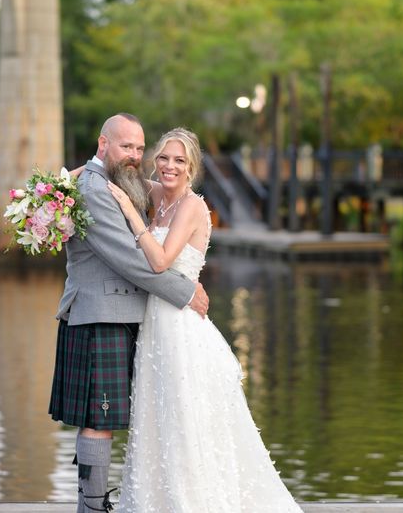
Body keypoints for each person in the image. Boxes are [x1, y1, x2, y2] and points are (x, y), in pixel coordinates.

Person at [106, 127, 302, 512]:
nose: (170, 166)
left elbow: (160, 261)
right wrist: (71, 177)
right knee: (156, 418)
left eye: (179, 161)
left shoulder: (192, 206)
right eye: (163, 157)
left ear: (192, 167)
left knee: (184, 420)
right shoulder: (154, 193)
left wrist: (130, 213)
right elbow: (109, 170)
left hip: (182, 329)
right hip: (153, 328)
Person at [49, 114, 210, 513]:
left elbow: (163, 194)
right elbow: (131, 261)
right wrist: (185, 291)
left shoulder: (121, 181)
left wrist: (64, 177)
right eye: (127, 147)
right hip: (100, 313)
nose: (135, 155)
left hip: (130, 315)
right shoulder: (96, 188)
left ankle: (122, 499)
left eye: (140, 148)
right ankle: (91, 507)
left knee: (136, 415)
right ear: (104, 144)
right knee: (99, 417)